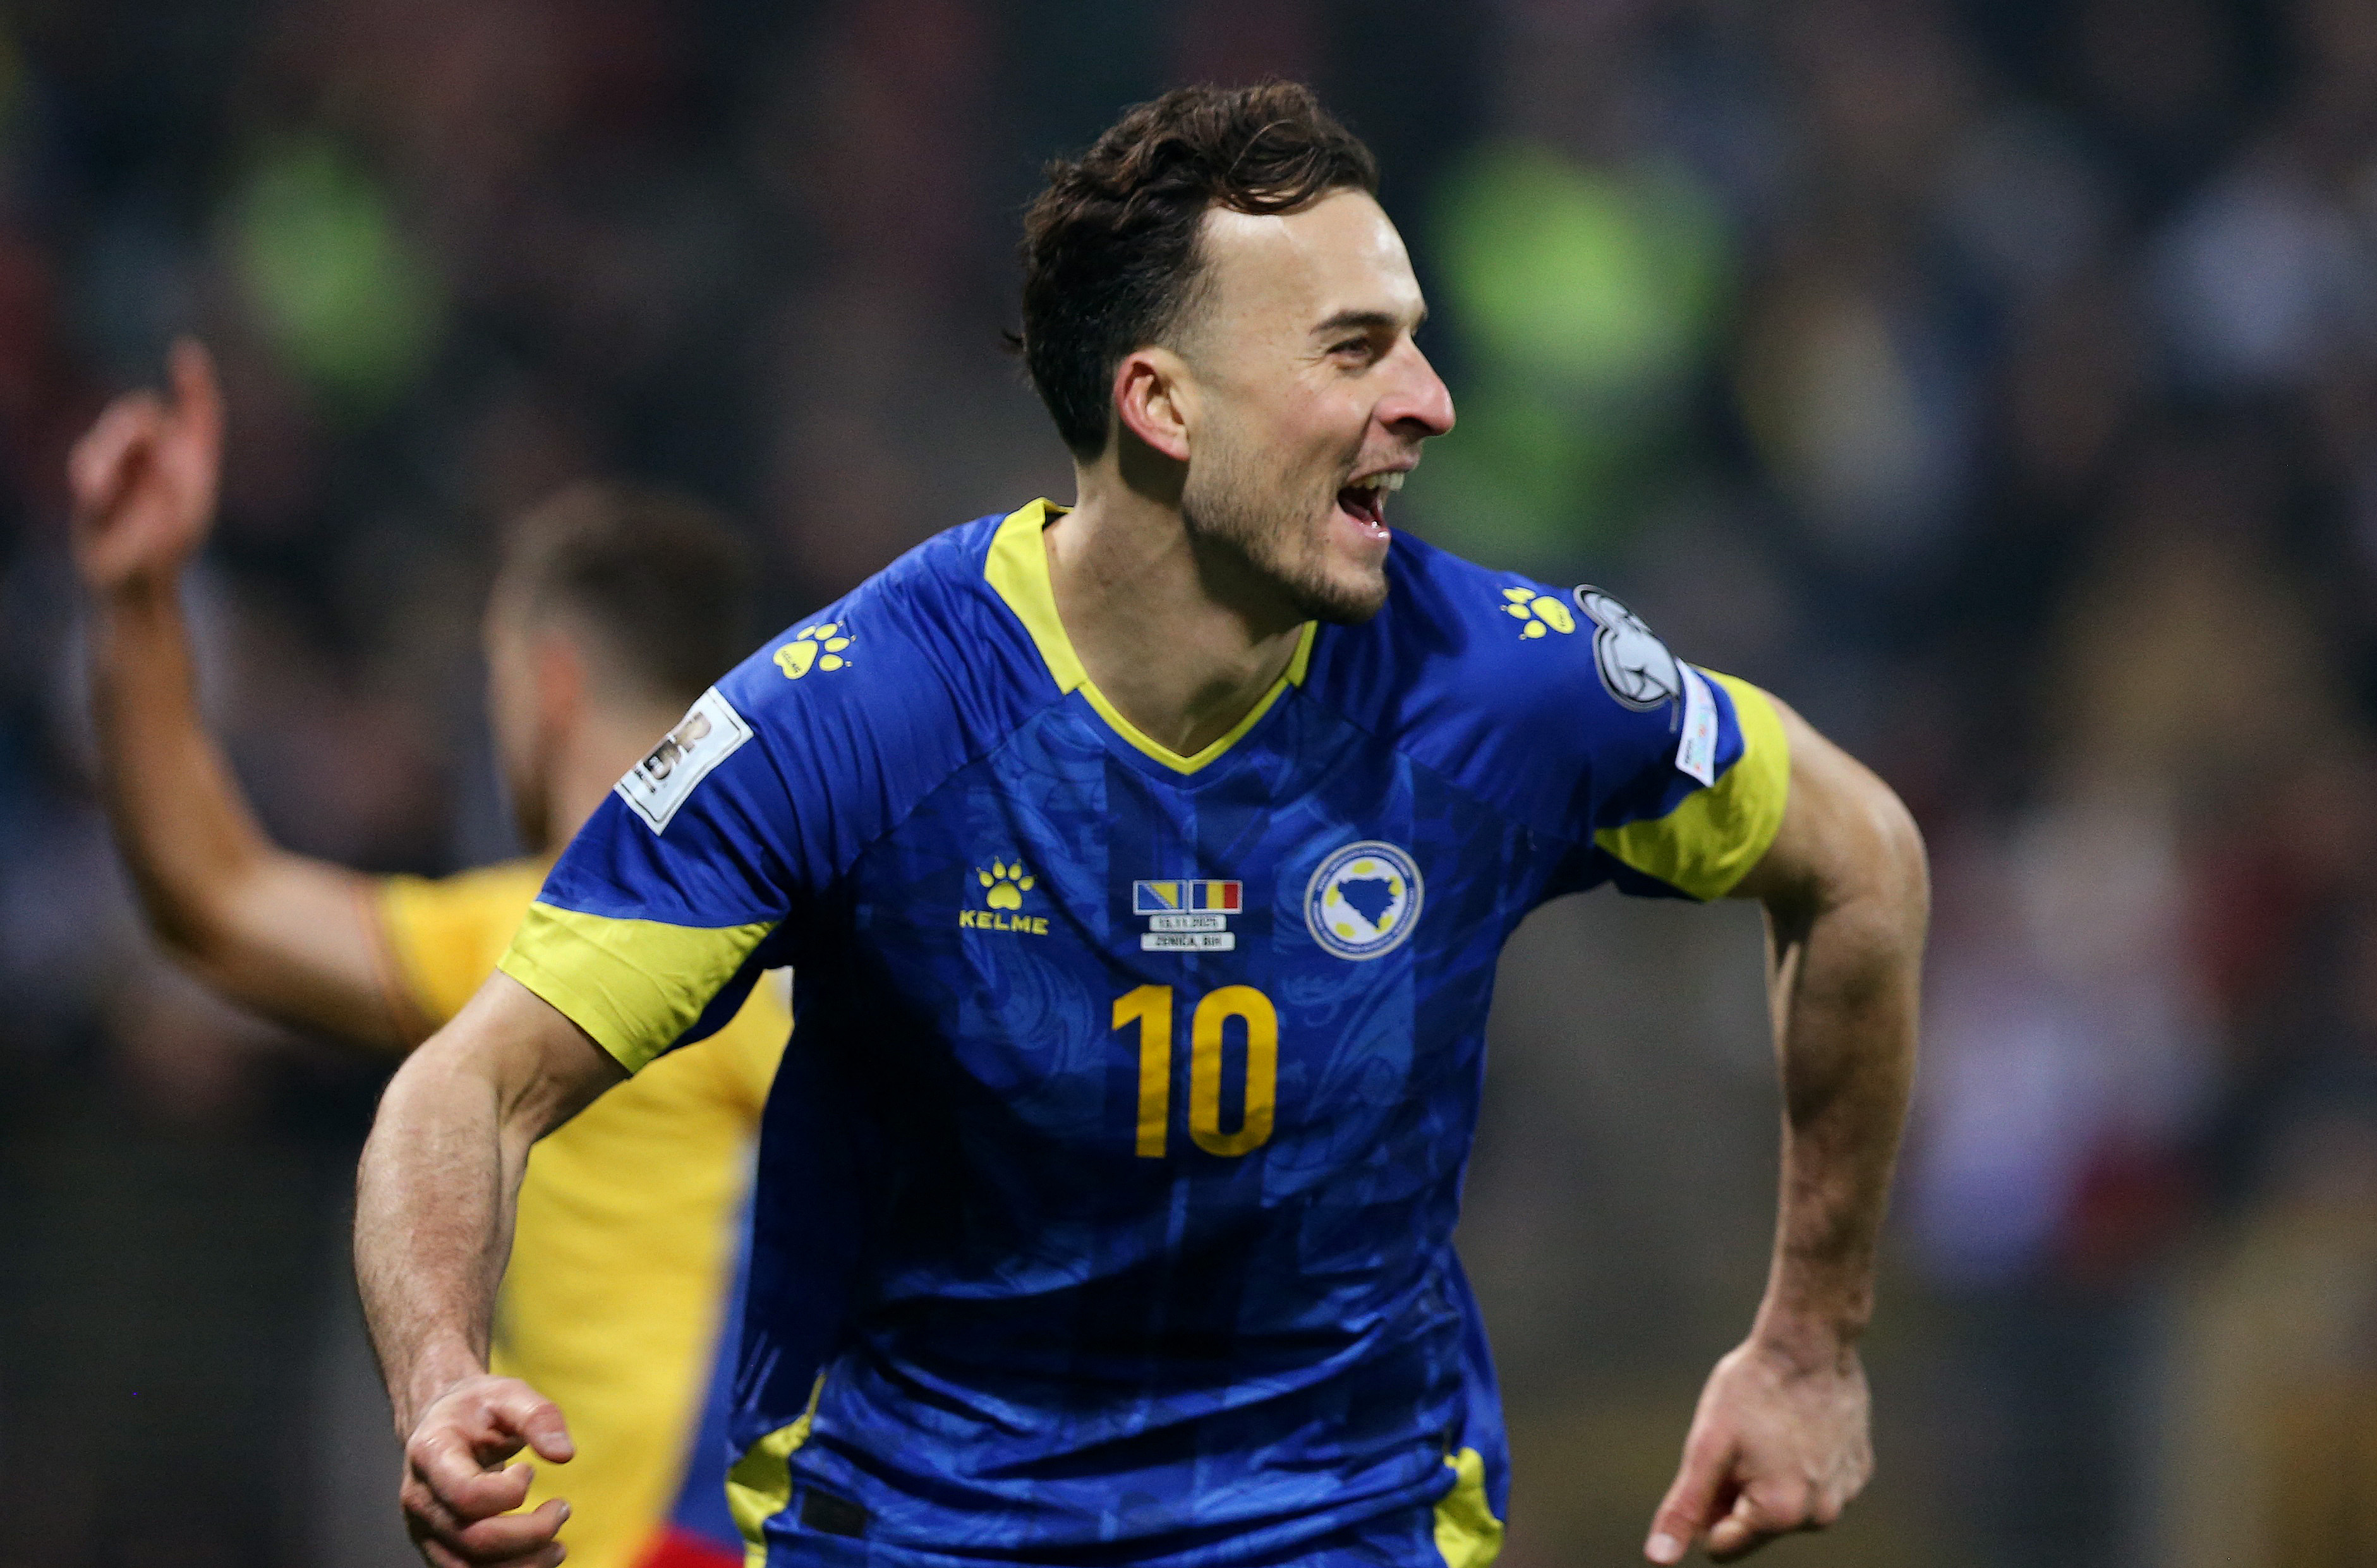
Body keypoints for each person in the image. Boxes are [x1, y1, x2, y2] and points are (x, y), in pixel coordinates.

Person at [358, 81, 1927, 1568]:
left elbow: (1863, 862)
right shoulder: (863, 715)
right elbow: (472, 1081)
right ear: (1162, 402)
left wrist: (1810, 1340)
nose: (1431, 403)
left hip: (1342, 1518)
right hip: (915, 1524)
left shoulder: (1501, 688)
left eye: (1418, 343)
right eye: (1355, 349)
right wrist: (439, 1380)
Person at [68, 341, 788, 1568]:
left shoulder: (567, 942)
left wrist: (141, 601)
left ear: (547, 685)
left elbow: (215, 897)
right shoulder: (773, 933)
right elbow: (214, 906)